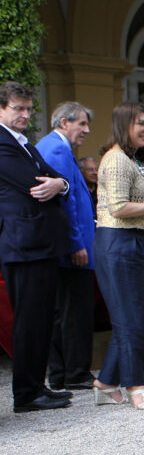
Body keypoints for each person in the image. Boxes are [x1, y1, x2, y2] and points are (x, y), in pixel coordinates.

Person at [92, 101, 144, 410]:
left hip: (137, 242)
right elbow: (117, 208)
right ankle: (135, 385)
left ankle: (105, 382)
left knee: (134, 317)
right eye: (140, 123)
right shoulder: (114, 160)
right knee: (130, 320)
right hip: (119, 243)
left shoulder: (130, 160)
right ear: (124, 124)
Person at [0, 82, 73, 412]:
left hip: (39, 244)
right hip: (23, 244)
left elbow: (56, 179)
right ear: (2, 108)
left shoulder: (25, 144)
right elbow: (34, 183)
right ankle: (27, 393)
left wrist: (61, 183)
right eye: (18, 108)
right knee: (30, 320)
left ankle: (35, 387)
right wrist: (55, 183)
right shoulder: (2, 143)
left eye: (29, 109)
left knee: (42, 317)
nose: (26, 115)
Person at [37, 101, 97, 392]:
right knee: (75, 311)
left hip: (66, 245)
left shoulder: (53, 146)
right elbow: (65, 201)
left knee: (66, 311)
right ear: (64, 122)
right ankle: (75, 372)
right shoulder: (58, 149)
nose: (86, 130)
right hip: (72, 247)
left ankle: (64, 372)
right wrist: (76, 243)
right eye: (82, 124)